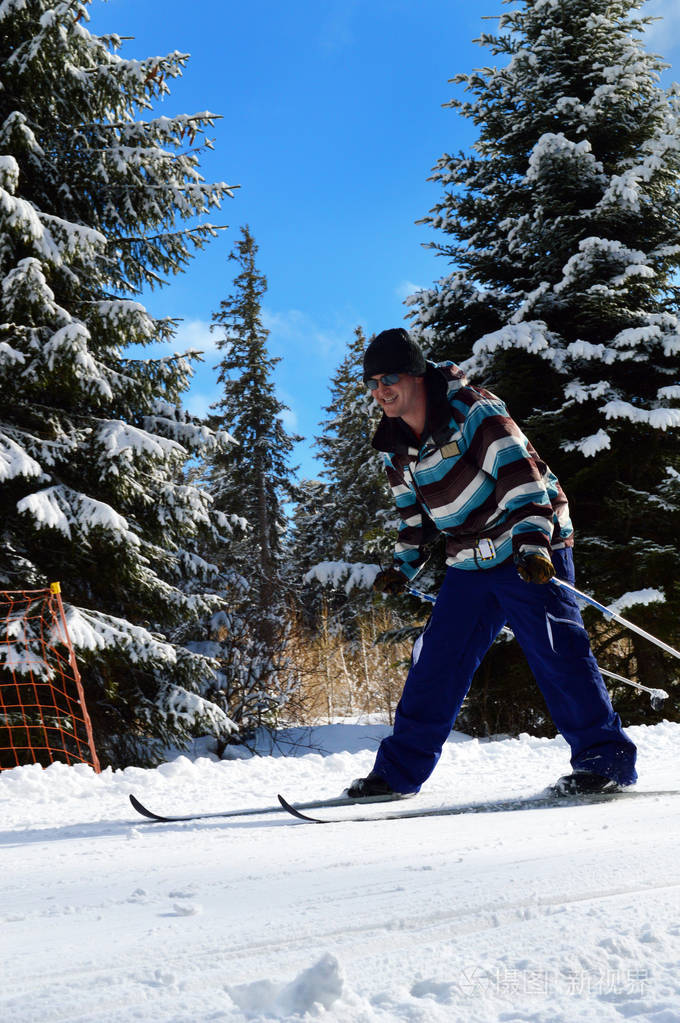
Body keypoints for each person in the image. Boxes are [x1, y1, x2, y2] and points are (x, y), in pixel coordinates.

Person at [348, 328, 637, 799]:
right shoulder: (396, 447)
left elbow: (520, 477)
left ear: (418, 375)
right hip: (470, 559)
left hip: (528, 544)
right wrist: (401, 568)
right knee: (436, 660)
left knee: (556, 650)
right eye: (374, 381)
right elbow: (413, 518)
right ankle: (397, 775)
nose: (381, 390)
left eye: (390, 378)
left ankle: (603, 761)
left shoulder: (473, 412)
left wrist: (533, 547)